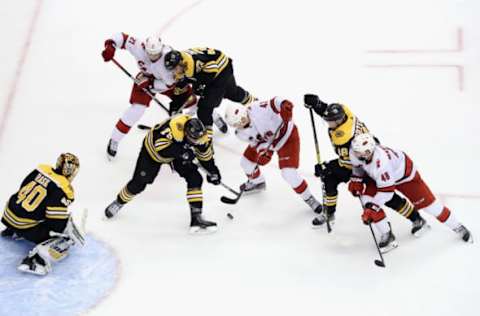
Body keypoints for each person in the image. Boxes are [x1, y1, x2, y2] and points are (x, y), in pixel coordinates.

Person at [303, 94, 428, 232]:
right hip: (364, 158)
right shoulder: (347, 116)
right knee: (329, 179)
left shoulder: (344, 137)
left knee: (385, 196)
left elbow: (349, 162)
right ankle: (329, 213)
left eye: (330, 121)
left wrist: (326, 167)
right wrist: (318, 104)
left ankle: (415, 218)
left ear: (338, 122)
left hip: (364, 167)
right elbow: (332, 112)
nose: (328, 123)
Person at [343, 133, 473, 253]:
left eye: (359, 153)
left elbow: (387, 192)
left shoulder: (381, 163)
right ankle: (387, 235)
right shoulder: (356, 152)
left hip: (405, 177)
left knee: (431, 207)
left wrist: (373, 208)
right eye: (355, 152)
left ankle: (458, 227)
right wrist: (356, 179)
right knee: (367, 200)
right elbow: (357, 166)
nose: (355, 154)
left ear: (368, 152)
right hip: (382, 179)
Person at [104, 115, 221, 233]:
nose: (196, 142)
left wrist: (213, 171)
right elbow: (161, 148)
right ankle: (119, 202)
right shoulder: (172, 128)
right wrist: (183, 153)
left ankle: (196, 218)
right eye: (193, 139)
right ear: (185, 132)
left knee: (195, 178)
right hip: (152, 152)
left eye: (198, 139)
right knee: (139, 184)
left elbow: (206, 157)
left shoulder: (203, 137)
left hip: (177, 153)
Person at [101, 32, 197, 160]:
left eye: (156, 54)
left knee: (192, 99)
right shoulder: (139, 46)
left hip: (165, 83)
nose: (152, 56)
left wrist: (151, 84)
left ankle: (212, 117)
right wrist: (111, 45)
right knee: (136, 111)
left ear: (161, 48)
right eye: (150, 53)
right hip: (144, 80)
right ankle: (115, 139)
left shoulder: (168, 58)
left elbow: (169, 84)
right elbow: (122, 38)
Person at [224, 97, 322, 213]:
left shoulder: (257, 108)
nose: (239, 125)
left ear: (244, 113)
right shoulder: (240, 133)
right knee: (246, 163)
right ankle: (257, 182)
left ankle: (308, 198)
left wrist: (284, 104)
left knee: (288, 174)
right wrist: (264, 152)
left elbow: (274, 101)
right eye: (236, 124)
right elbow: (256, 143)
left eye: (241, 121)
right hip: (269, 143)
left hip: (287, 137)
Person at [1, 153, 84, 275]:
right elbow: (55, 222)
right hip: (24, 225)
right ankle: (37, 260)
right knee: (61, 240)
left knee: (30, 212)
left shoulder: (42, 169)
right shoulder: (64, 187)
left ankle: (11, 229)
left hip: (8, 213)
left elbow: (22, 187)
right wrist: (63, 231)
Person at [164, 48, 255, 137]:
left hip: (219, 71)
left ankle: (206, 139)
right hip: (223, 64)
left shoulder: (195, 63)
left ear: (181, 63)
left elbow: (212, 68)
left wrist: (201, 85)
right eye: (172, 69)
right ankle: (255, 104)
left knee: (204, 109)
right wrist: (175, 106)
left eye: (175, 68)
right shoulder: (184, 62)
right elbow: (181, 88)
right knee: (232, 93)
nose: (174, 72)